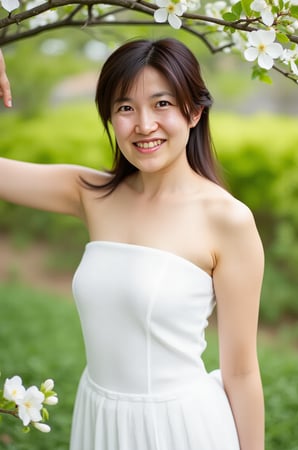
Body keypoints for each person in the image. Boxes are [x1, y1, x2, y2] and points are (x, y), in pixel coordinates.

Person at [0, 38, 265, 450]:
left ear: (194, 112)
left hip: (181, 427)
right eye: (125, 108)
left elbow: (242, 372)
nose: (143, 125)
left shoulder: (227, 220)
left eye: (162, 104)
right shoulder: (92, 193)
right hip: (99, 420)